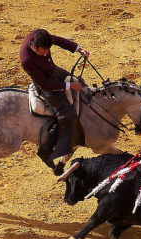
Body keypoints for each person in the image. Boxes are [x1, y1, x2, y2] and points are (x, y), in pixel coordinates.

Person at [19, 29, 90, 169]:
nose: (46, 53)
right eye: (43, 51)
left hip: (53, 71)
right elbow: (45, 84)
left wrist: (78, 49)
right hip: (46, 85)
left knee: (83, 86)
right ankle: (46, 151)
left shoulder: (40, 35)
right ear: (35, 46)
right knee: (67, 115)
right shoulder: (27, 60)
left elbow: (58, 40)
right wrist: (68, 85)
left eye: (47, 50)